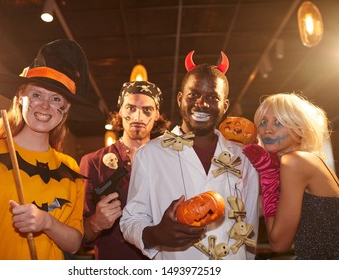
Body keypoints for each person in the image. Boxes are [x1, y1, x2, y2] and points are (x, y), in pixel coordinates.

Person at [0, 39, 99, 259]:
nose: (45, 106)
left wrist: (47, 222)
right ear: (20, 97)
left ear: (65, 110)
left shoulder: (69, 167)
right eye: (37, 95)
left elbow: (75, 242)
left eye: (56, 99)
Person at [120, 51, 260, 260]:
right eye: (193, 94)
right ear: (180, 99)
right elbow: (131, 220)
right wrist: (156, 234)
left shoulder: (243, 158)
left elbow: (250, 225)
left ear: (225, 106)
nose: (201, 103)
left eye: (212, 97)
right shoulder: (150, 154)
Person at [243, 92, 339, 260]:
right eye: (263, 122)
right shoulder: (303, 161)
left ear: (299, 130)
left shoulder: (294, 162)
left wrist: (268, 176)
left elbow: (279, 244)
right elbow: (248, 210)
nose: (267, 129)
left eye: (278, 122)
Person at [79, 80, 168, 259]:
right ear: (120, 110)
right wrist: (96, 223)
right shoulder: (93, 162)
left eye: (147, 110)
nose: (137, 117)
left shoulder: (168, 161)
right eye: (131, 108)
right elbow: (79, 237)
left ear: (157, 114)